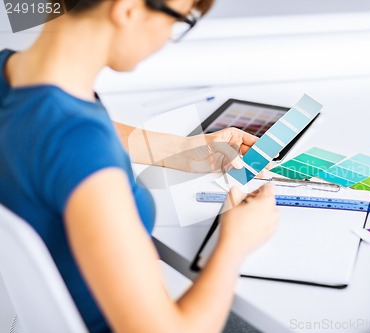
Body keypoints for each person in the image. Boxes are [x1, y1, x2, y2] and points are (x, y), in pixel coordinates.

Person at [0, 0, 279, 332]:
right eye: (177, 21)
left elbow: (60, 131)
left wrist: (184, 149)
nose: (166, 37)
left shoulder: (16, 78)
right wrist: (235, 242)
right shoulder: (77, 142)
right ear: (128, 9)